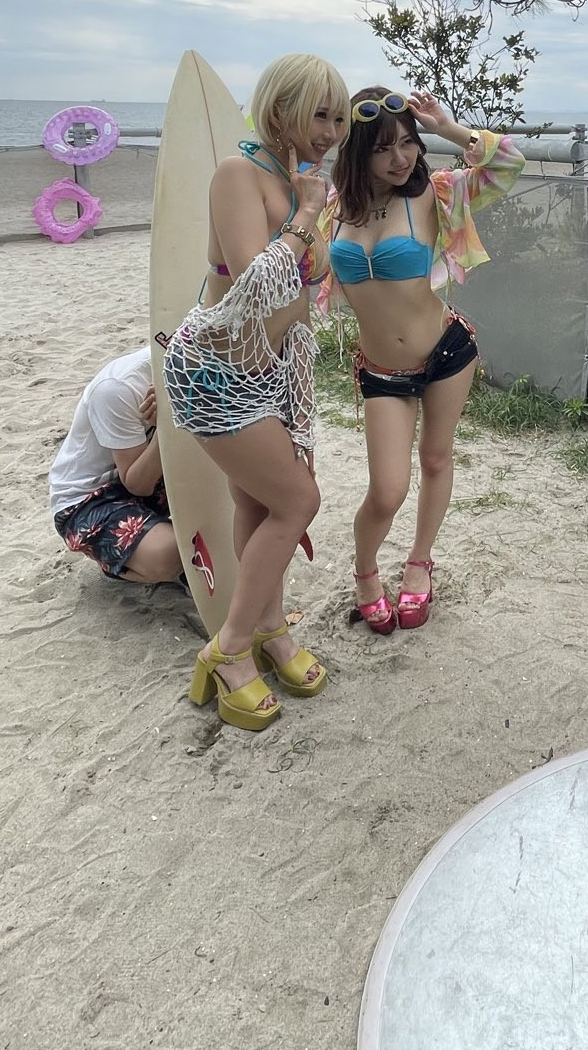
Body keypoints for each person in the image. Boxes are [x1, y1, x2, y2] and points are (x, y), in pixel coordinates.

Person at [162, 53, 348, 730]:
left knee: (259, 502)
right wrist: (307, 213)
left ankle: (271, 627)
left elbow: (310, 282)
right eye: (319, 115)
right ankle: (230, 647)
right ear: (279, 110)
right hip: (213, 372)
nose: (331, 132)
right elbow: (252, 282)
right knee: (299, 501)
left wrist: (314, 211)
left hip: (270, 370)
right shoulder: (237, 175)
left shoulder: (300, 180)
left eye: (338, 119)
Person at [317, 89, 523, 633]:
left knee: (436, 459)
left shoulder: (436, 193)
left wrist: (448, 128)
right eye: (383, 148)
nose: (400, 158)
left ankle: (419, 561)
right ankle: (365, 573)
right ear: (357, 151)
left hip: (447, 351)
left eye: (408, 143)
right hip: (384, 371)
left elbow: (508, 165)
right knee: (387, 490)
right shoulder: (331, 207)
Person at [49, 346, 181, 584]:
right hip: (87, 499)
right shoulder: (119, 387)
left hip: (156, 478)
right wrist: (167, 426)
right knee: (169, 554)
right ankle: (119, 564)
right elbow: (138, 484)